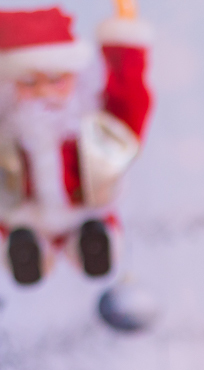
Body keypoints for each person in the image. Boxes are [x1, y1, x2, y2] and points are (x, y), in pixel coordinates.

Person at [0, 5, 152, 285]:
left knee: (95, 231)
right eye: (29, 83)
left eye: (56, 81)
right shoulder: (8, 126)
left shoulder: (90, 123)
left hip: (86, 206)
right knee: (16, 231)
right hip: (21, 211)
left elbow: (130, 103)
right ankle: (27, 252)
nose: (44, 92)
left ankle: (91, 245)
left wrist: (125, 47)